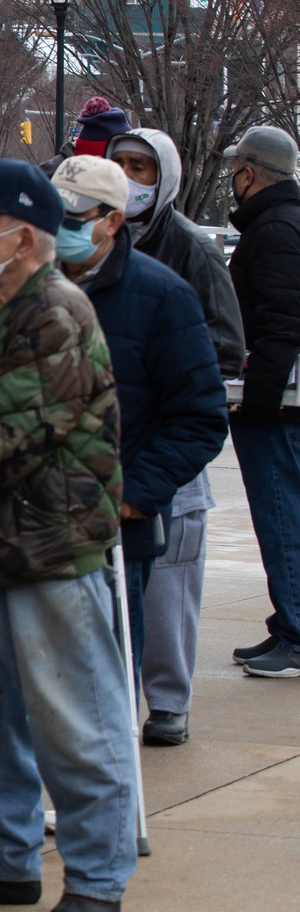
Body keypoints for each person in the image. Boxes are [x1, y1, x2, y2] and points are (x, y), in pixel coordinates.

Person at [0, 159, 137, 912]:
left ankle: (98, 883)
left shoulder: (56, 314)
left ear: (25, 237)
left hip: (50, 554)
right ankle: (2, 860)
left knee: (78, 730)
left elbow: (1, 442)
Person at [50, 156, 228, 701]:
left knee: (105, 687)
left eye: (77, 216)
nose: (62, 227)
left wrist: (136, 494)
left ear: (112, 220)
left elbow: (200, 416)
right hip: (33, 518)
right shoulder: (28, 286)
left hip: (114, 523)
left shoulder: (163, 297)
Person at [106, 128, 244, 740]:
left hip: (167, 441)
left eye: (142, 167)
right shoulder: (101, 242)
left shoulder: (190, 247)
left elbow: (223, 346)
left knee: (170, 584)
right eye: (121, 165)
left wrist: (161, 356)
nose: (132, 178)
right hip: (114, 442)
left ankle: (168, 701)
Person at [222, 124, 300, 678]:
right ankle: (288, 622)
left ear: (249, 173)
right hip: (282, 400)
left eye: (234, 170)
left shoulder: (274, 229)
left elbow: (281, 324)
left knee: (282, 517)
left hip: (279, 405)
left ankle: (296, 633)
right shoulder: (282, 223)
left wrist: (259, 405)